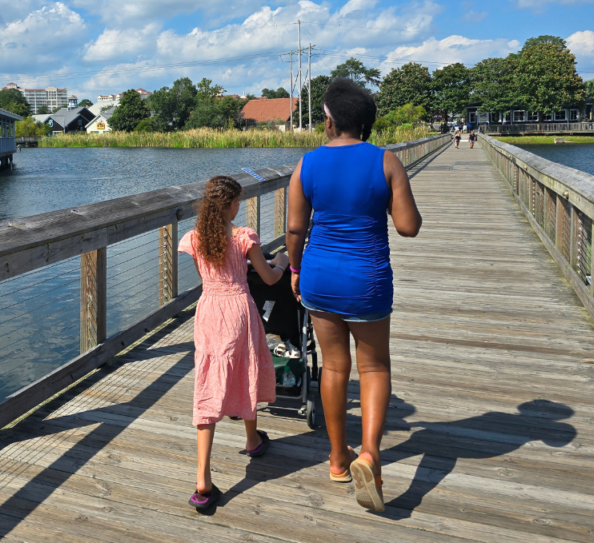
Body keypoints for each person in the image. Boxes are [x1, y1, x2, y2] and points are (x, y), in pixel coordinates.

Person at [286, 78, 422, 512]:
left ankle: (337, 458)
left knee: (334, 366)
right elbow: (408, 226)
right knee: (375, 365)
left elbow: (294, 229)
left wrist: (294, 268)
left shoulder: (305, 165)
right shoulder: (386, 161)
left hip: (320, 276)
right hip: (366, 278)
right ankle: (370, 454)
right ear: (367, 122)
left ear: (328, 121)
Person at [178, 175, 288, 511]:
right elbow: (267, 277)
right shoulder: (244, 237)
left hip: (209, 310)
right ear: (229, 205)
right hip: (239, 309)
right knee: (247, 369)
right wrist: (281, 262)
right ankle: (252, 438)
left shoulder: (195, 238)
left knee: (209, 383)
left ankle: (203, 478)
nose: (240, 207)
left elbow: (208, 276)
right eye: (238, 201)